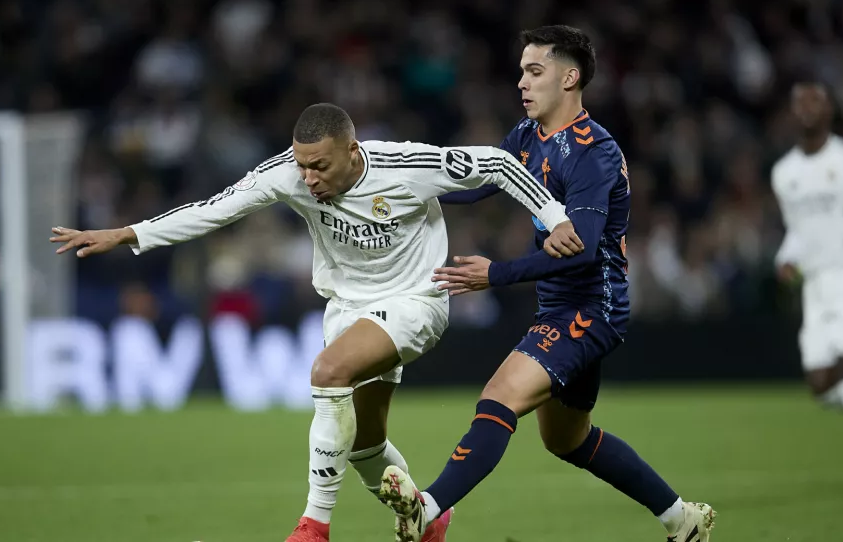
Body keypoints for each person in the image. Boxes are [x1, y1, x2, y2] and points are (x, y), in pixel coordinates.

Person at [50, 102, 583, 542]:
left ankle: (313, 527)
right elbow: (214, 209)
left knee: (328, 372)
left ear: (352, 151)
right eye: (303, 165)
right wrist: (128, 233)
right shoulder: (288, 173)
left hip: (416, 301)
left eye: (320, 166)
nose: (308, 178)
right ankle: (428, 518)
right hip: (347, 308)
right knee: (364, 445)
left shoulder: (404, 165)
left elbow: (498, 163)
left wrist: (556, 218)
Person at [378, 25, 716, 542]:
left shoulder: (594, 152)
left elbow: (580, 248)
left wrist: (496, 273)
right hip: (559, 306)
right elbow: (479, 181)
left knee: (499, 396)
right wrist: (399, 189)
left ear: (569, 78)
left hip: (591, 307)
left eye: (535, 71)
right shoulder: (527, 136)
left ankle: (429, 509)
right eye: (521, 72)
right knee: (567, 440)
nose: (522, 82)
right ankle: (682, 520)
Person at [771, 81, 843, 499]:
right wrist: (786, 258)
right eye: (800, 102)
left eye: (815, 101)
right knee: (821, 382)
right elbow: (797, 231)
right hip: (816, 286)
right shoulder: (784, 173)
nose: (807, 108)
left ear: (829, 110)